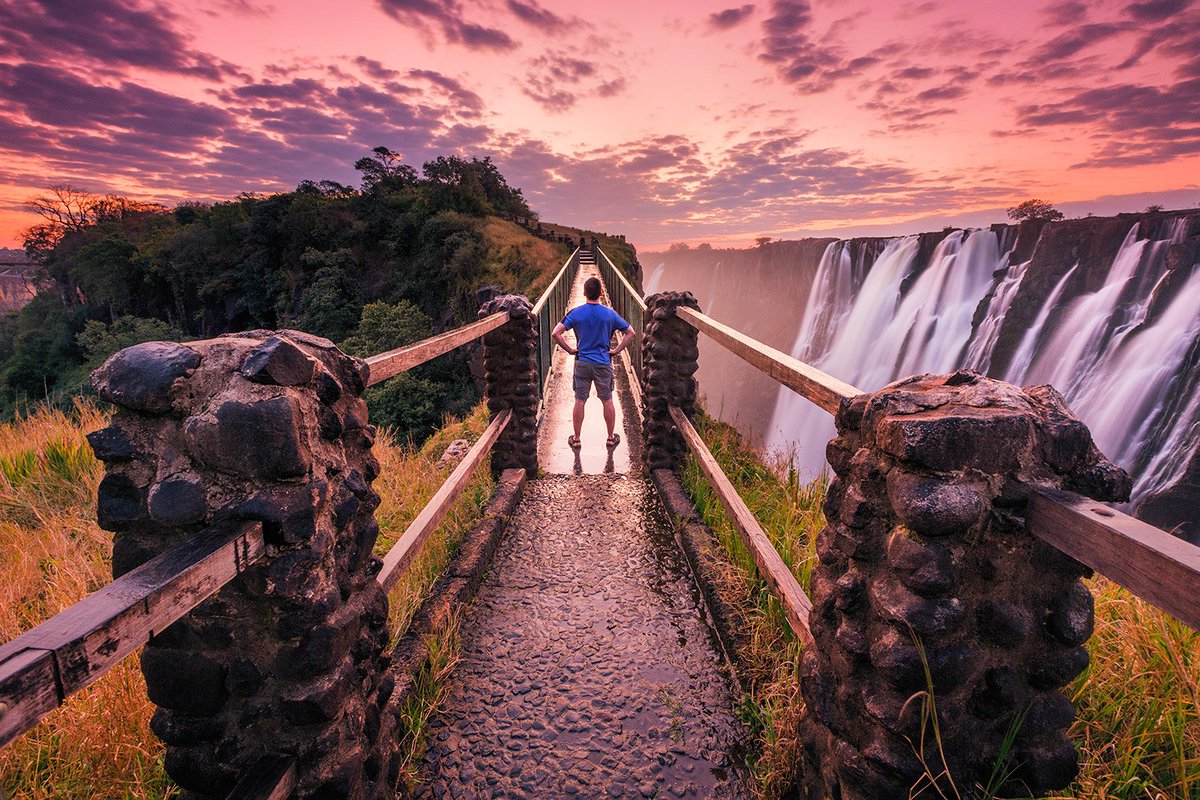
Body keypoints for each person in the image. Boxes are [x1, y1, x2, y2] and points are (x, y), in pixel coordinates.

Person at [552, 277, 635, 449]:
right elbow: (630, 332)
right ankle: (611, 438)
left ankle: (576, 439)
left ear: (584, 293)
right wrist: (617, 350)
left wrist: (569, 350)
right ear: (601, 293)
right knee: (607, 400)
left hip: (582, 362)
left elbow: (556, 333)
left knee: (580, 400)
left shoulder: (575, 313)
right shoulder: (610, 314)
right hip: (603, 362)